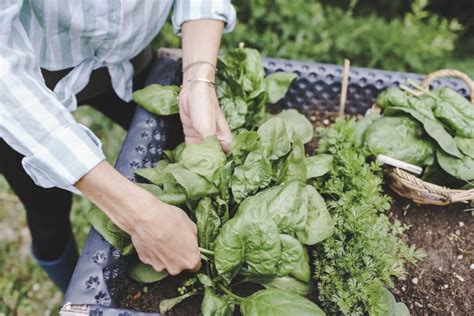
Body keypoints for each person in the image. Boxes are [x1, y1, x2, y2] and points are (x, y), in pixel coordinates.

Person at [0, 0, 235, 293]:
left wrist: (198, 78)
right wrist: (137, 213)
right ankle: (73, 290)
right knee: (46, 210)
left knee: (184, 149)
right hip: (25, 83)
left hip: (128, 57)